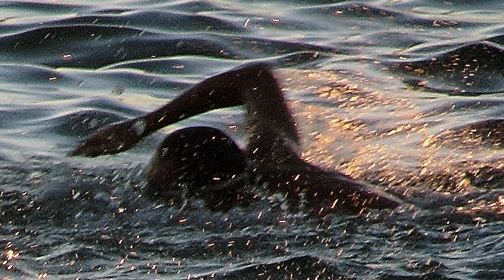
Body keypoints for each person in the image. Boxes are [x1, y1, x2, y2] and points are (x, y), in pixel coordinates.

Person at [70, 62, 400, 213]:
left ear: (212, 194)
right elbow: (255, 78)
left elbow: (390, 215)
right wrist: (143, 125)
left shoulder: (301, 201)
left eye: (164, 193)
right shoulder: (271, 149)